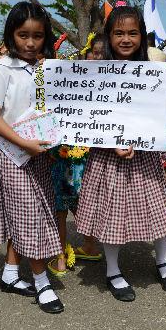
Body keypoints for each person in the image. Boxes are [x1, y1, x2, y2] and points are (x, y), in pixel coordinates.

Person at [76, 4, 166, 302]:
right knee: (113, 211)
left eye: (133, 33)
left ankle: (162, 260)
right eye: (118, 33)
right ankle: (112, 269)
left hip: (144, 152)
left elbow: (165, 114)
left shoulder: (155, 70)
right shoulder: (93, 73)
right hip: (108, 155)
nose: (125, 39)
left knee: (157, 206)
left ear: (142, 36)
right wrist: (111, 143)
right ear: (108, 36)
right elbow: (87, 117)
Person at [0, 1, 66, 314]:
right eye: (23, 35)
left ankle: (11, 273)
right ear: (11, 35)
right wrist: (23, 143)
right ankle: (42, 283)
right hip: (12, 153)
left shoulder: (46, 69)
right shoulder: (2, 68)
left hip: (38, 153)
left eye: (38, 36)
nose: (30, 43)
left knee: (31, 211)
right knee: (31, 214)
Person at [47, 35, 106, 277]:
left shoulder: (118, 81)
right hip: (62, 150)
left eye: (103, 53)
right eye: (93, 51)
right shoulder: (68, 75)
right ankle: (60, 255)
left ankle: (90, 246)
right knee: (60, 203)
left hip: (92, 153)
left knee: (85, 202)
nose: (96, 57)